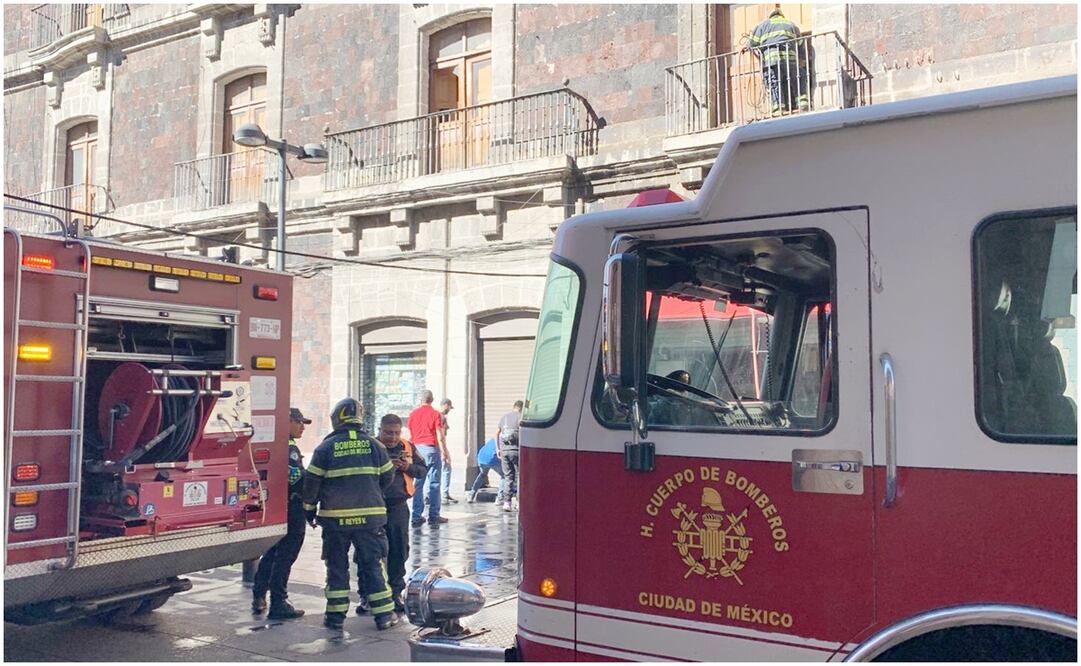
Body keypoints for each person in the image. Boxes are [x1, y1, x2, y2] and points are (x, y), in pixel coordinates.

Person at [302, 397, 398, 631]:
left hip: (335, 520)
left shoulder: (325, 447)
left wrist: (309, 510)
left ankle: (335, 617)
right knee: (373, 565)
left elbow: (311, 482)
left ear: (337, 419)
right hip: (370, 518)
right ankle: (384, 616)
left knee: (336, 566)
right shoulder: (375, 445)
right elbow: (388, 476)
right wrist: (371, 492)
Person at [360, 413, 426, 614]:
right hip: (374, 506)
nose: (393, 437)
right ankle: (367, 596)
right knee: (371, 552)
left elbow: (423, 470)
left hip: (398, 507)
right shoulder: (370, 446)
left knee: (399, 550)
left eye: (397, 433)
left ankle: (396, 592)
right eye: (388, 433)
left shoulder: (407, 447)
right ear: (379, 430)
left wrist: (407, 467)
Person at [251, 407, 310, 620]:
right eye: (299, 422)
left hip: (277, 506)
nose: (302, 427)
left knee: (272, 552)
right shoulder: (289, 447)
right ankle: (279, 602)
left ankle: (259, 595)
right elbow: (295, 477)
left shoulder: (274, 443)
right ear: (288, 422)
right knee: (285, 556)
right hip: (292, 507)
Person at [748, 7, 809, 115]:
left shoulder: (763, 25)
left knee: (774, 83)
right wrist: (802, 59)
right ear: (781, 15)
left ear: (771, 16)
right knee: (798, 80)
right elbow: (800, 45)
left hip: (772, 61)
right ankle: (803, 106)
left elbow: (751, 44)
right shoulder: (791, 25)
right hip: (790, 61)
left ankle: (778, 109)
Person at [408, 391, 449, 526]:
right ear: (432, 400)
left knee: (418, 484)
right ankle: (433, 516)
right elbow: (440, 435)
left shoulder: (413, 414)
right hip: (431, 449)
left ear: (421, 400)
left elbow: (410, 434)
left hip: (417, 450)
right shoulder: (435, 414)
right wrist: (445, 452)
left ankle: (416, 516)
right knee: (434, 483)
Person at [495, 400, 523, 512]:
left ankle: (507, 503)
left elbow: (497, 432)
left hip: (504, 451)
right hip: (516, 451)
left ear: (514, 407)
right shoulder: (521, 417)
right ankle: (519, 503)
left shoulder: (504, 417)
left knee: (508, 477)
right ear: (521, 408)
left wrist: (498, 448)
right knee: (519, 476)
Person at [467, 436, 505, 503]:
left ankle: (471, 494)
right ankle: (500, 498)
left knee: (482, 474)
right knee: (504, 476)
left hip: (481, 458)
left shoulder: (494, 438)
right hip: (492, 459)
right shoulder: (505, 440)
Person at [437, 398, 458, 504]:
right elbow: (440, 436)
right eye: (449, 407)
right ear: (446, 405)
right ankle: (444, 494)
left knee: (433, 472)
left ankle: (428, 495)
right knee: (446, 468)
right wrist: (444, 452)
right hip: (439, 447)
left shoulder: (437, 415)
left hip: (434, 446)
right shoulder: (440, 417)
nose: (449, 410)